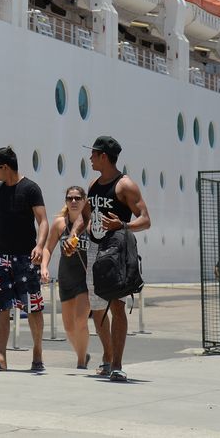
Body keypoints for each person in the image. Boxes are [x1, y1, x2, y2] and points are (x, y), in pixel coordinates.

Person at [79, 135, 151, 382]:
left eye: (93, 154)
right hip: (94, 251)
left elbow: (146, 219)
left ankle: (118, 365)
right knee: (97, 307)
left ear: (104, 156)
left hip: (117, 251)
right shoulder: (93, 185)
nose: (90, 158)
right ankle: (107, 358)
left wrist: (122, 225)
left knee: (118, 305)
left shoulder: (125, 185)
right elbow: (88, 216)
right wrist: (81, 231)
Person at [0, 147, 49, 373]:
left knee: (34, 308)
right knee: (1, 307)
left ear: (5, 167)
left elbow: (43, 221)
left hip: (25, 259)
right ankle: (1, 356)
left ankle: (37, 352)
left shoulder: (30, 189)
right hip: (1, 258)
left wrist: (39, 245)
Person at [42, 185, 90, 369]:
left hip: (85, 279)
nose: (74, 201)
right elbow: (48, 248)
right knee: (69, 327)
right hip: (66, 277)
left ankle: (80, 363)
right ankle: (82, 354)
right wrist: (44, 267)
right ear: (66, 202)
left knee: (80, 320)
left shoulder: (90, 223)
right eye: (70, 198)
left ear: (84, 200)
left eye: (78, 198)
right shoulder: (59, 224)